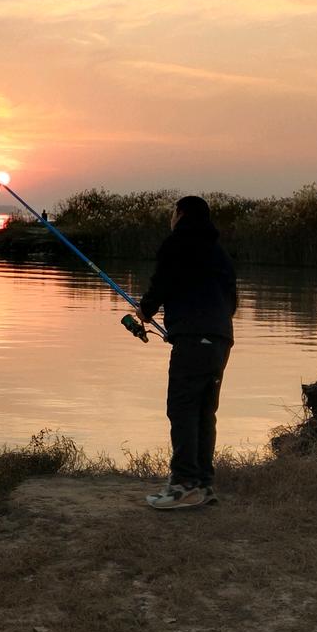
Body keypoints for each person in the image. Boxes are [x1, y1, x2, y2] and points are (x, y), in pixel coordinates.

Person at [137, 195, 237, 510]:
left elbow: (162, 281)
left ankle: (184, 485)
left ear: (180, 214)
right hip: (220, 341)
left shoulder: (177, 243)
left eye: (173, 213)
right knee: (204, 411)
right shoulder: (221, 254)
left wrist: (146, 309)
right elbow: (231, 302)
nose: (171, 219)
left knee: (182, 409)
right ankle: (204, 485)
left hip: (194, 340)